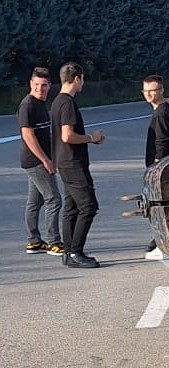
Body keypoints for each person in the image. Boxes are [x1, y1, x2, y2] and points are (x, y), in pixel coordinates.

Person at [50, 62, 105, 269]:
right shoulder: (67, 104)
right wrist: (92, 137)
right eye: (82, 79)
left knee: (71, 207)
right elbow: (67, 135)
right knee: (89, 206)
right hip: (72, 162)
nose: (83, 83)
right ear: (77, 79)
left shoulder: (57, 102)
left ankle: (68, 252)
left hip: (64, 161)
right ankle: (76, 251)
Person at [17, 66, 63, 256]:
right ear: (30, 84)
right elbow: (28, 135)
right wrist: (46, 160)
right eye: (37, 85)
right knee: (54, 199)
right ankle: (54, 242)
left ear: (49, 86)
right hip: (35, 161)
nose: (40, 89)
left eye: (44, 85)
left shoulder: (41, 103)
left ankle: (34, 242)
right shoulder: (27, 105)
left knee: (34, 202)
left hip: (40, 159)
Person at [142, 75, 169, 261]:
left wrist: (157, 167)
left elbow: (162, 142)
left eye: (153, 90)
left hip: (163, 168)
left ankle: (163, 246)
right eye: (146, 91)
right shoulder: (165, 110)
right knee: (162, 206)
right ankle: (158, 243)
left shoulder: (162, 113)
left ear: (161, 91)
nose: (149, 94)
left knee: (159, 206)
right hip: (167, 166)